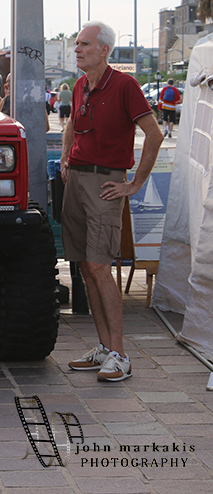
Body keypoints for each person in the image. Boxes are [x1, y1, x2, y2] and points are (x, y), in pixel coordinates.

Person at [61, 21, 162, 383]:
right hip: (77, 179)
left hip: (106, 182)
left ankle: (120, 355)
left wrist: (134, 184)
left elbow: (154, 134)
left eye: (84, 44)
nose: (77, 49)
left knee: (100, 266)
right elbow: (72, 123)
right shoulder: (80, 85)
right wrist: (65, 158)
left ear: (104, 50)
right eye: (77, 43)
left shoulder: (125, 85)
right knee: (86, 268)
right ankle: (104, 348)